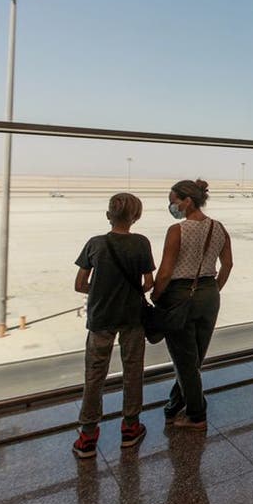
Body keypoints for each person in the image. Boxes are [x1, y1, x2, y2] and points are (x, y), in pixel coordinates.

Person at [71, 193, 156, 458]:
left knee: (94, 375)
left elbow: (80, 284)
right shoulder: (141, 243)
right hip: (132, 318)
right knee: (133, 372)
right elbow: (148, 283)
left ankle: (88, 434)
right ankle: (130, 427)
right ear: (136, 217)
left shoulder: (95, 244)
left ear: (108, 215)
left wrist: (100, 292)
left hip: (100, 318)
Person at [153, 179, 232, 430]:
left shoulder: (177, 230)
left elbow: (165, 272)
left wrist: (156, 296)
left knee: (184, 359)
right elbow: (227, 265)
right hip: (209, 294)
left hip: (180, 294)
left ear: (187, 201)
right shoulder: (219, 228)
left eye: (173, 201)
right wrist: (213, 289)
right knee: (193, 358)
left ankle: (196, 414)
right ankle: (174, 405)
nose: (171, 206)